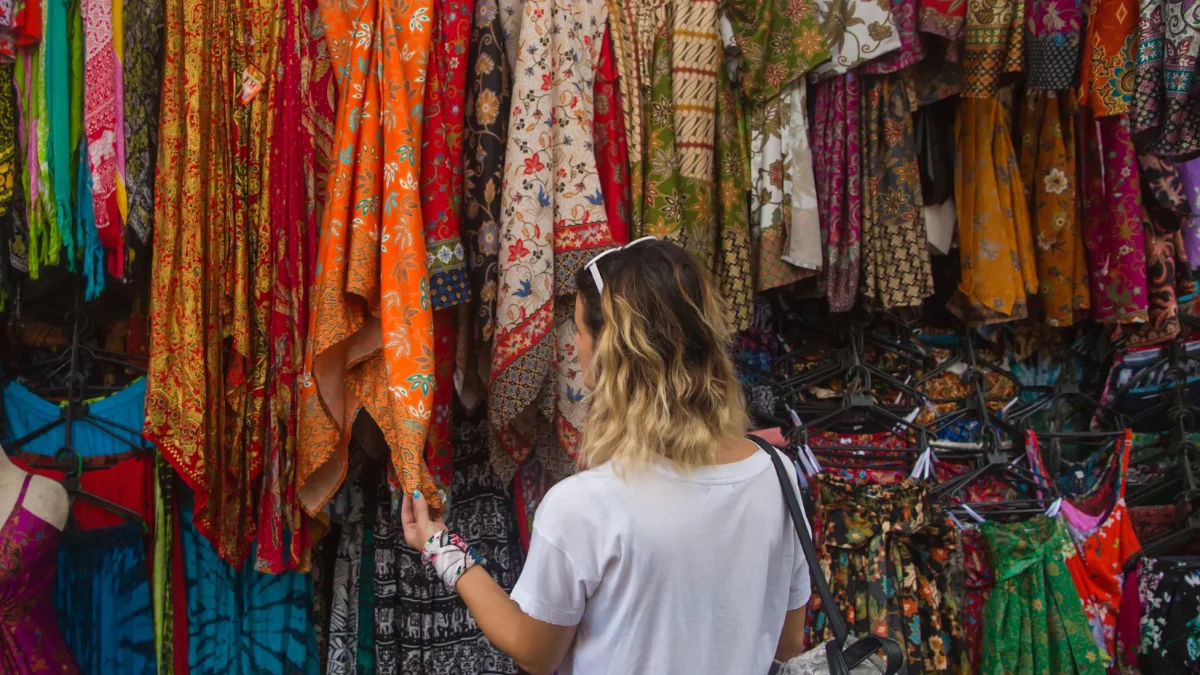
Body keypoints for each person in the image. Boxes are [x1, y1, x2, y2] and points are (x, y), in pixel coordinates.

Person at [402, 238, 810, 674]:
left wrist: (439, 545)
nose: (574, 343)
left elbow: (534, 652)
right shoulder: (776, 473)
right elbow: (785, 647)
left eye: (578, 329)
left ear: (611, 351)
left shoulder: (585, 506)